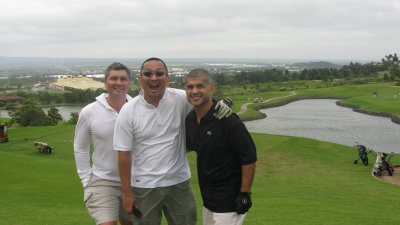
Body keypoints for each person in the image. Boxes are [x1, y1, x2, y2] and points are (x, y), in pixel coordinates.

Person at [113, 57, 232, 225]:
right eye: (148, 74)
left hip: (178, 183)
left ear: (167, 78)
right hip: (144, 185)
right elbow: (123, 154)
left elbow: (205, 102)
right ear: (140, 79)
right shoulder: (129, 111)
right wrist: (127, 192)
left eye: (159, 73)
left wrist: (224, 102)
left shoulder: (181, 99)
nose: (154, 78)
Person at [184, 69, 257, 225]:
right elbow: (191, 146)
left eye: (200, 86)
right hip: (208, 199)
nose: (194, 91)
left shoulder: (228, 121)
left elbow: (249, 157)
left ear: (211, 88)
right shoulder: (190, 119)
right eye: (190, 87)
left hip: (230, 201)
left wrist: (245, 193)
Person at [74, 62, 133, 225]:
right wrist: (86, 179)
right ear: (105, 82)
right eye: (113, 78)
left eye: (123, 79)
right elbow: (80, 147)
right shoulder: (89, 111)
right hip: (103, 180)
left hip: (135, 181)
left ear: (129, 82)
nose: (118, 83)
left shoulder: (139, 109)